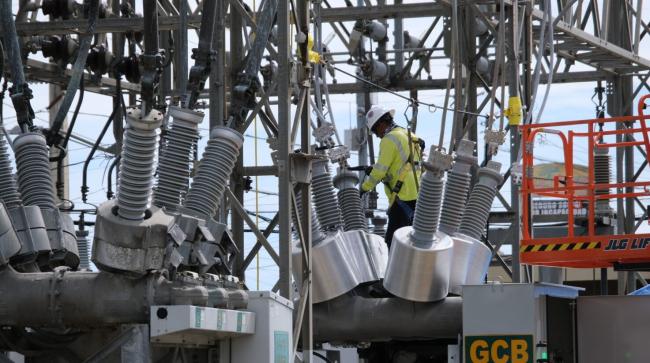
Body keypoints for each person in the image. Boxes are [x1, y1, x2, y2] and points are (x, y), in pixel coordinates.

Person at [360, 105, 423, 247]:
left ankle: (393, 269)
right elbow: (399, 164)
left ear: (381, 123)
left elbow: (381, 171)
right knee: (412, 242)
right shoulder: (410, 135)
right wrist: (375, 169)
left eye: (376, 130)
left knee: (393, 243)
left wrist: (364, 187)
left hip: (402, 197)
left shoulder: (389, 139)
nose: (377, 135)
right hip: (417, 196)